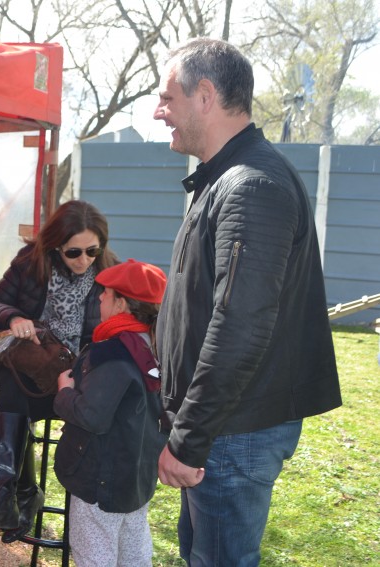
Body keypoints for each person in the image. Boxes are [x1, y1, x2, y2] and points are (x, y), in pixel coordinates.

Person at [153, 38, 341, 565]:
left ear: (205, 95)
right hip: (222, 427)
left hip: (232, 433)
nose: (159, 111)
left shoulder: (251, 186)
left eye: (167, 98)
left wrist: (189, 439)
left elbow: (241, 327)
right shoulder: (224, 177)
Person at [0, 199, 119, 542]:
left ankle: (21, 495)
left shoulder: (110, 273)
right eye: (74, 252)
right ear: (55, 246)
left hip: (81, 384)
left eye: (92, 251)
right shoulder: (31, 262)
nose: (84, 260)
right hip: (36, 376)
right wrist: (14, 317)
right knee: (10, 384)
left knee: (13, 395)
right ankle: (6, 497)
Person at [53, 259, 168, 566]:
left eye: (106, 292)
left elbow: (92, 416)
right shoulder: (158, 345)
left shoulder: (112, 353)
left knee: (95, 555)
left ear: (121, 303)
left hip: (100, 478)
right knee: (133, 552)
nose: (101, 297)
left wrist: (65, 392)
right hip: (137, 475)